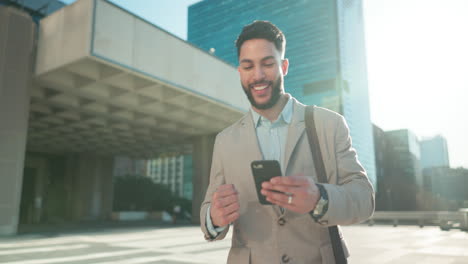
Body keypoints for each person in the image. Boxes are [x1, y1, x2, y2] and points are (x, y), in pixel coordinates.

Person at [200, 20, 375, 263]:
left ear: (284, 66)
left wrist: (319, 198)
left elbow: (364, 199)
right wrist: (214, 217)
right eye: (248, 66)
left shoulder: (329, 124)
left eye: (268, 64)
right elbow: (209, 211)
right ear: (240, 71)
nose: (258, 75)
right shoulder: (225, 141)